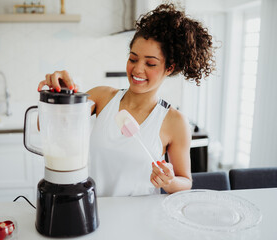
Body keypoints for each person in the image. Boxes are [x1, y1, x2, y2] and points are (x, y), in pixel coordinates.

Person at [37, 3, 215, 196]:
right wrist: (60, 97)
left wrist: (169, 181)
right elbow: (48, 127)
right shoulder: (101, 97)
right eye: (133, 59)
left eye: (150, 63)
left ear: (169, 68)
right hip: (96, 210)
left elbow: (185, 182)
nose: (138, 69)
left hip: (141, 217)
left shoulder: (175, 121)